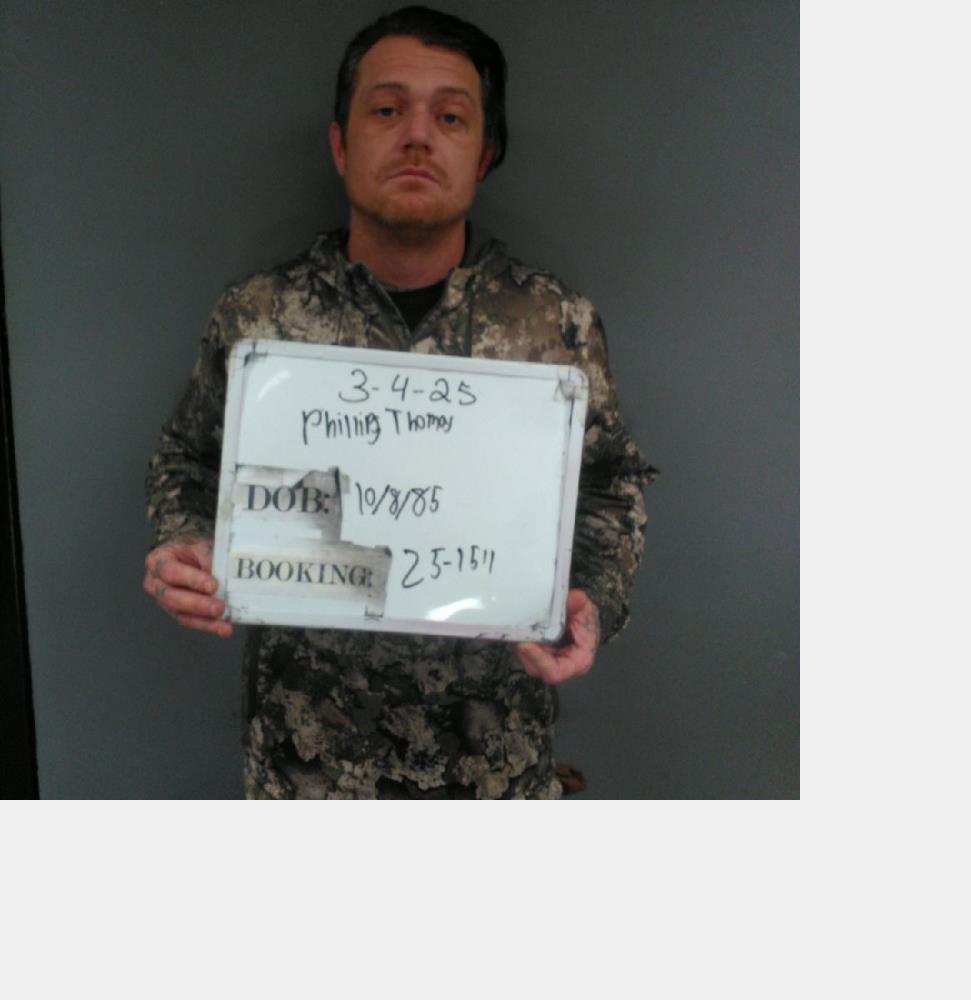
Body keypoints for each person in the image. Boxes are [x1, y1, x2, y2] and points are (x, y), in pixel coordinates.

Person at [144, 5, 655, 799]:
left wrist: (596, 600)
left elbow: (611, 487)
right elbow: (186, 459)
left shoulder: (554, 325)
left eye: (450, 117)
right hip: (306, 766)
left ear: (484, 154)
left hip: (492, 768)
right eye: (386, 110)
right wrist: (183, 544)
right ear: (340, 144)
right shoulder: (260, 317)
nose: (417, 135)